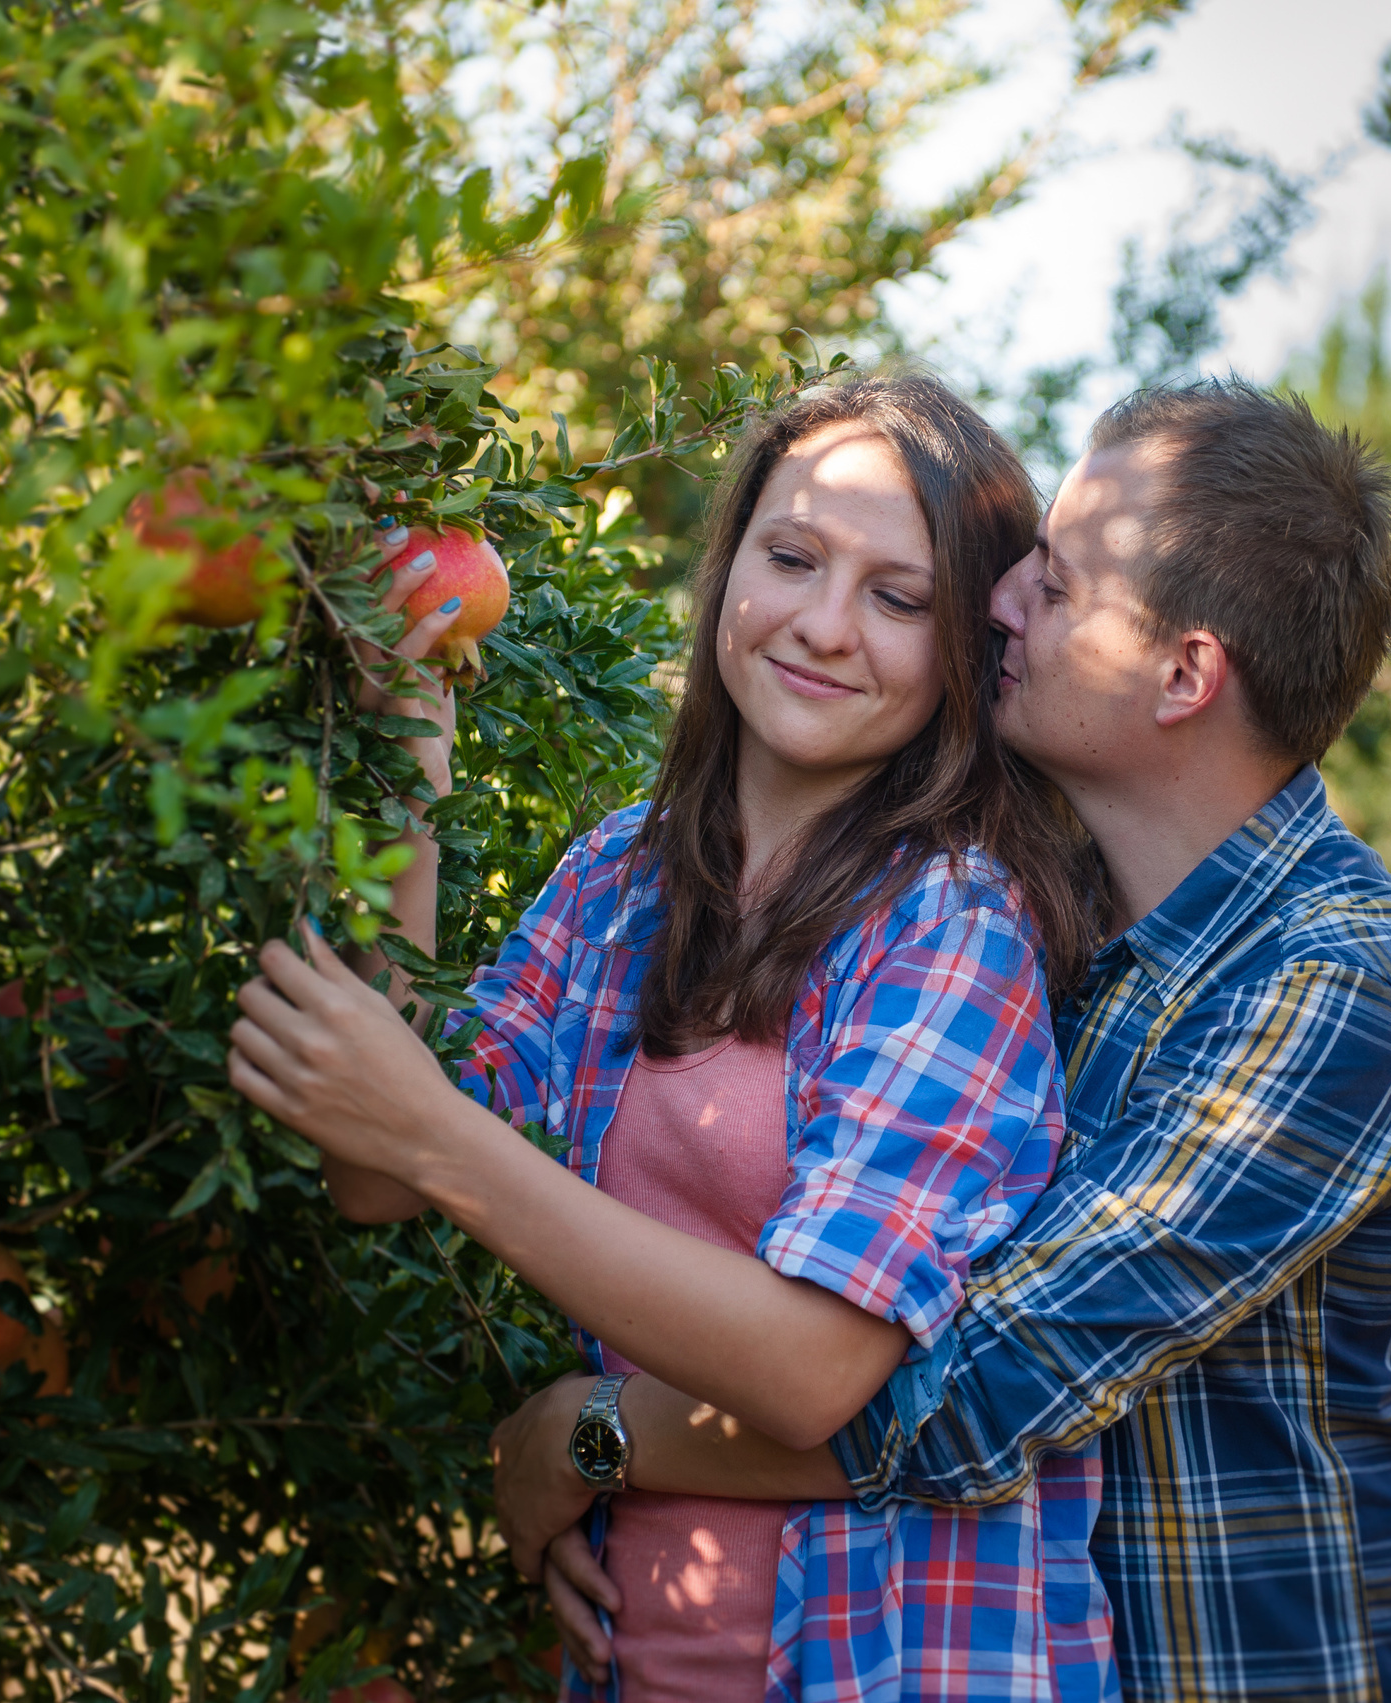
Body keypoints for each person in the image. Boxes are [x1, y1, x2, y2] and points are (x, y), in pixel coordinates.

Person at [490, 380, 1391, 1703]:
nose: (999, 601)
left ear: (1183, 675)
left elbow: (967, 1394)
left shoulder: (1341, 995)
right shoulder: (1075, 918)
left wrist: (589, 1439)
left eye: (1058, 579)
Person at [226, 372, 1123, 1702]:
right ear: (729, 568)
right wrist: (410, 779)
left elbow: (814, 1367)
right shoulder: (621, 880)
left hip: (881, 1661)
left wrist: (440, 1156)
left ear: (961, 652)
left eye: (898, 599)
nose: (823, 625)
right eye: (792, 558)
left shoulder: (950, 922)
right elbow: (373, 1170)